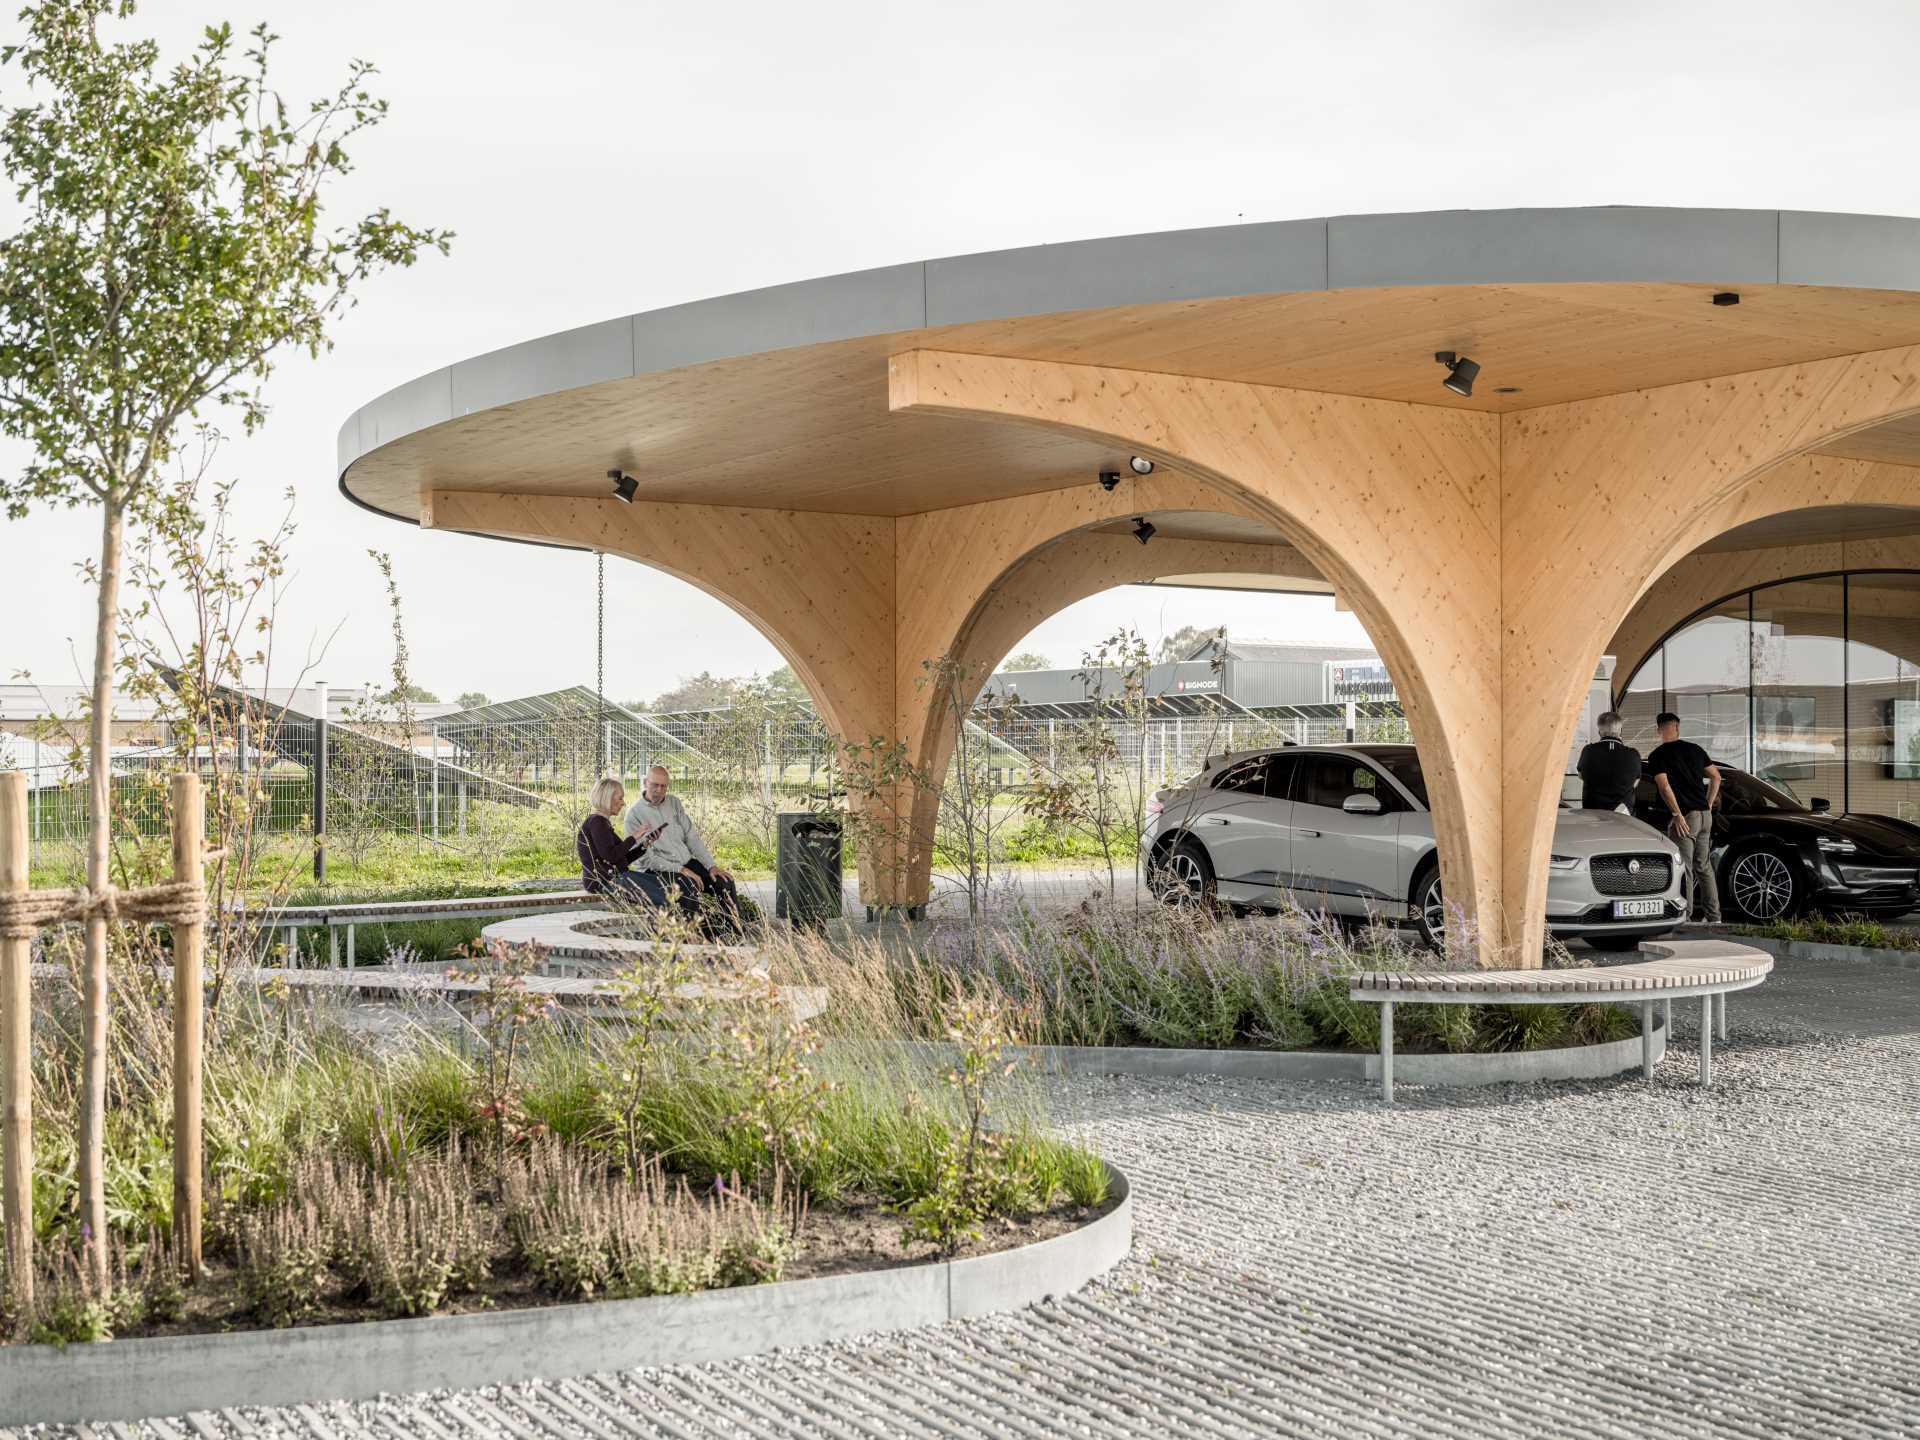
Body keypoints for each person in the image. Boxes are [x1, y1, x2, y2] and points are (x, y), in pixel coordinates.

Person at [624, 764, 744, 936]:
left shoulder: (674, 803)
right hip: (659, 870)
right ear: (645, 782)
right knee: (688, 886)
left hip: (687, 862)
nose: (659, 790)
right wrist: (680, 870)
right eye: (655, 785)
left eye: (663, 786)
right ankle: (695, 939)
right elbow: (645, 860)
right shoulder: (633, 816)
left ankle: (732, 935)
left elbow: (691, 837)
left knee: (723, 882)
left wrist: (711, 866)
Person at [1647, 711, 1723, 923]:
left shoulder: (1658, 755)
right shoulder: (1696, 750)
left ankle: (1685, 916)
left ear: (1659, 730)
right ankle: (1714, 917)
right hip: (1704, 816)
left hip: (1686, 818)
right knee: (1704, 866)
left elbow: (1664, 787)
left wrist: (1677, 814)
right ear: (1678, 727)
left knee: (1685, 867)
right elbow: (1716, 777)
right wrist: (1706, 805)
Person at [575, 776, 682, 913]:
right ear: (607, 798)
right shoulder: (597, 823)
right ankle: (663, 931)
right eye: (620, 798)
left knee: (667, 886)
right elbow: (611, 857)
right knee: (664, 896)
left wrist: (645, 843)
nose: (623, 803)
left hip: (616, 878)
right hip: (604, 882)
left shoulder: (601, 822)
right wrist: (634, 836)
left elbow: (621, 858)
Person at [1577, 711, 1643, 812]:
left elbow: (1581, 776)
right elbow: (1635, 782)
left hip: (1593, 813)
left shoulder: (1588, 751)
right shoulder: (1633, 754)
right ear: (1620, 731)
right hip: (1623, 814)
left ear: (1599, 731)